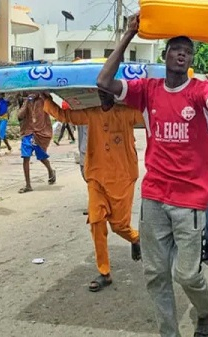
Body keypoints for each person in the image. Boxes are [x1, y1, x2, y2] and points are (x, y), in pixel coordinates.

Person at [96, 14, 208, 337]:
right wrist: (130, 34)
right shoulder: (148, 90)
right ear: (165, 55)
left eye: (188, 50)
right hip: (155, 196)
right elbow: (103, 83)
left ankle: (205, 312)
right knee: (155, 274)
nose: (182, 53)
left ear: (191, 60)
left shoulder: (200, 90)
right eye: (175, 49)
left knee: (186, 275)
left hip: (190, 200)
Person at [42, 90, 143, 291]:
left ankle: (135, 238)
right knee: (96, 222)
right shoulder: (92, 113)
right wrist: (46, 100)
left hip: (122, 178)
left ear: (115, 93)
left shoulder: (128, 113)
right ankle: (104, 272)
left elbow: (153, 116)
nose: (105, 96)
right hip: (96, 177)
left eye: (109, 91)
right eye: (102, 92)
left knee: (119, 226)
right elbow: (66, 116)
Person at [17, 92, 56, 193]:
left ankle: (50, 170)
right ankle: (28, 185)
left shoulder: (43, 99)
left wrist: (40, 94)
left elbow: (50, 99)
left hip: (41, 133)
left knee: (42, 156)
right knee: (25, 157)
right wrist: (26, 102)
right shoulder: (27, 101)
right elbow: (20, 115)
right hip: (28, 132)